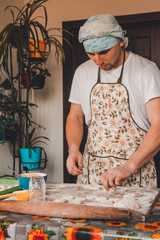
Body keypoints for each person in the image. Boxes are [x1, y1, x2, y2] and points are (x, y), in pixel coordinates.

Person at [65, 14, 160, 191]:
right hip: (92, 172)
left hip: (135, 172)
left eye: (103, 52)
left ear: (121, 41)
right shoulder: (82, 72)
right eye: (91, 54)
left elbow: (159, 124)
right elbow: (75, 116)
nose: (98, 61)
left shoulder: (146, 70)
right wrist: (73, 149)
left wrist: (129, 166)